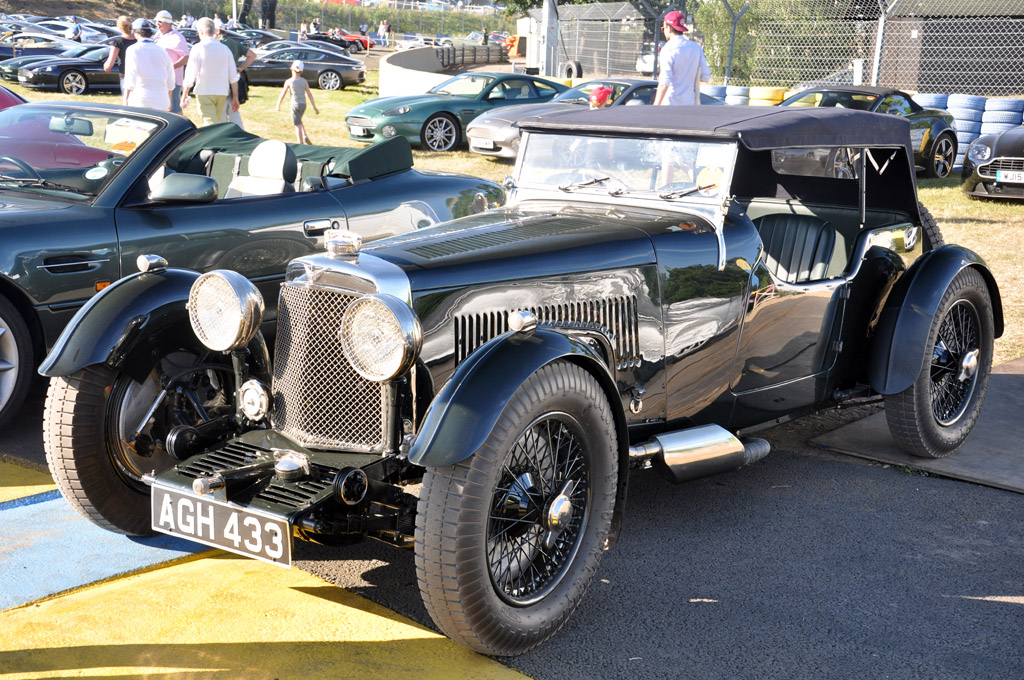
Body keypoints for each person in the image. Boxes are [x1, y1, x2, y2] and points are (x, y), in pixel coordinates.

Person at [181, 17, 239, 126]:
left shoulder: (198, 48)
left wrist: (185, 93)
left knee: (210, 124)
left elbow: (190, 73)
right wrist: (235, 97)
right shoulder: (225, 49)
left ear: (201, 32)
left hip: (204, 91)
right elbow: (233, 76)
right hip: (221, 92)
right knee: (216, 122)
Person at [653, 10, 710, 106]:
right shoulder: (696, 48)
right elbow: (706, 76)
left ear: (668, 28)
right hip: (689, 105)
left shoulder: (668, 49)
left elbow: (664, 82)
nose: (664, 31)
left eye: (663, 29)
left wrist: (655, 106)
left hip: (670, 105)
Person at [124, 18, 174, 111]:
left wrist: (125, 99)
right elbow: (170, 79)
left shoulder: (133, 49)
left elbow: (131, 78)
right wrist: (169, 99)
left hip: (140, 98)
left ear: (136, 32)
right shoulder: (162, 51)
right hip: (161, 99)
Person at [216, 23, 257, 128]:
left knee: (221, 110)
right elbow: (252, 55)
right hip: (233, 79)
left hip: (220, 81)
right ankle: (238, 130)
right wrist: (241, 68)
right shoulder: (235, 43)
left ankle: (222, 131)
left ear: (217, 31)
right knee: (234, 108)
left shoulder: (217, 43)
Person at [154, 9, 190, 114]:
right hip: (160, 78)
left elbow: (185, 57)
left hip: (173, 81)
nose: (157, 24)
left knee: (174, 109)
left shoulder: (177, 37)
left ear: (167, 23)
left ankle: (181, 124)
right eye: (157, 22)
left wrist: (170, 67)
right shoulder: (158, 35)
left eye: (159, 22)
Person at [276, 60, 318, 144]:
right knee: (299, 120)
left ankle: (300, 143)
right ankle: (304, 135)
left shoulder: (289, 81)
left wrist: (278, 105)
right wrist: (314, 107)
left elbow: (283, 94)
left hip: (295, 105)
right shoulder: (304, 81)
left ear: (291, 68)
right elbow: (309, 94)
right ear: (302, 71)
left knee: (297, 125)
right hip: (303, 105)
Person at [103, 16, 137, 104]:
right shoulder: (138, 40)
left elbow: (109, 64)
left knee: (127, 103)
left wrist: (105, 66)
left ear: (119, 27)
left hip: (126, 76)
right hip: (140, 76)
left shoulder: (118, 42)